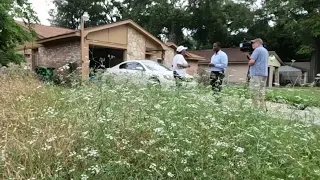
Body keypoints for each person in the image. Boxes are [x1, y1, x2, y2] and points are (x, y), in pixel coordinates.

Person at [248, 38, 269, 111]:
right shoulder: (265, 51)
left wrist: (249, 62)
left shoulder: (257, 50)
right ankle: (262, 108)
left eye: (253, 43)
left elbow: (252, 62)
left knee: (255, 91)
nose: (252, 45)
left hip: (256, 73)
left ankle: (255, 108)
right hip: (264, 73)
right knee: (261, 91)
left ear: (258, 43)